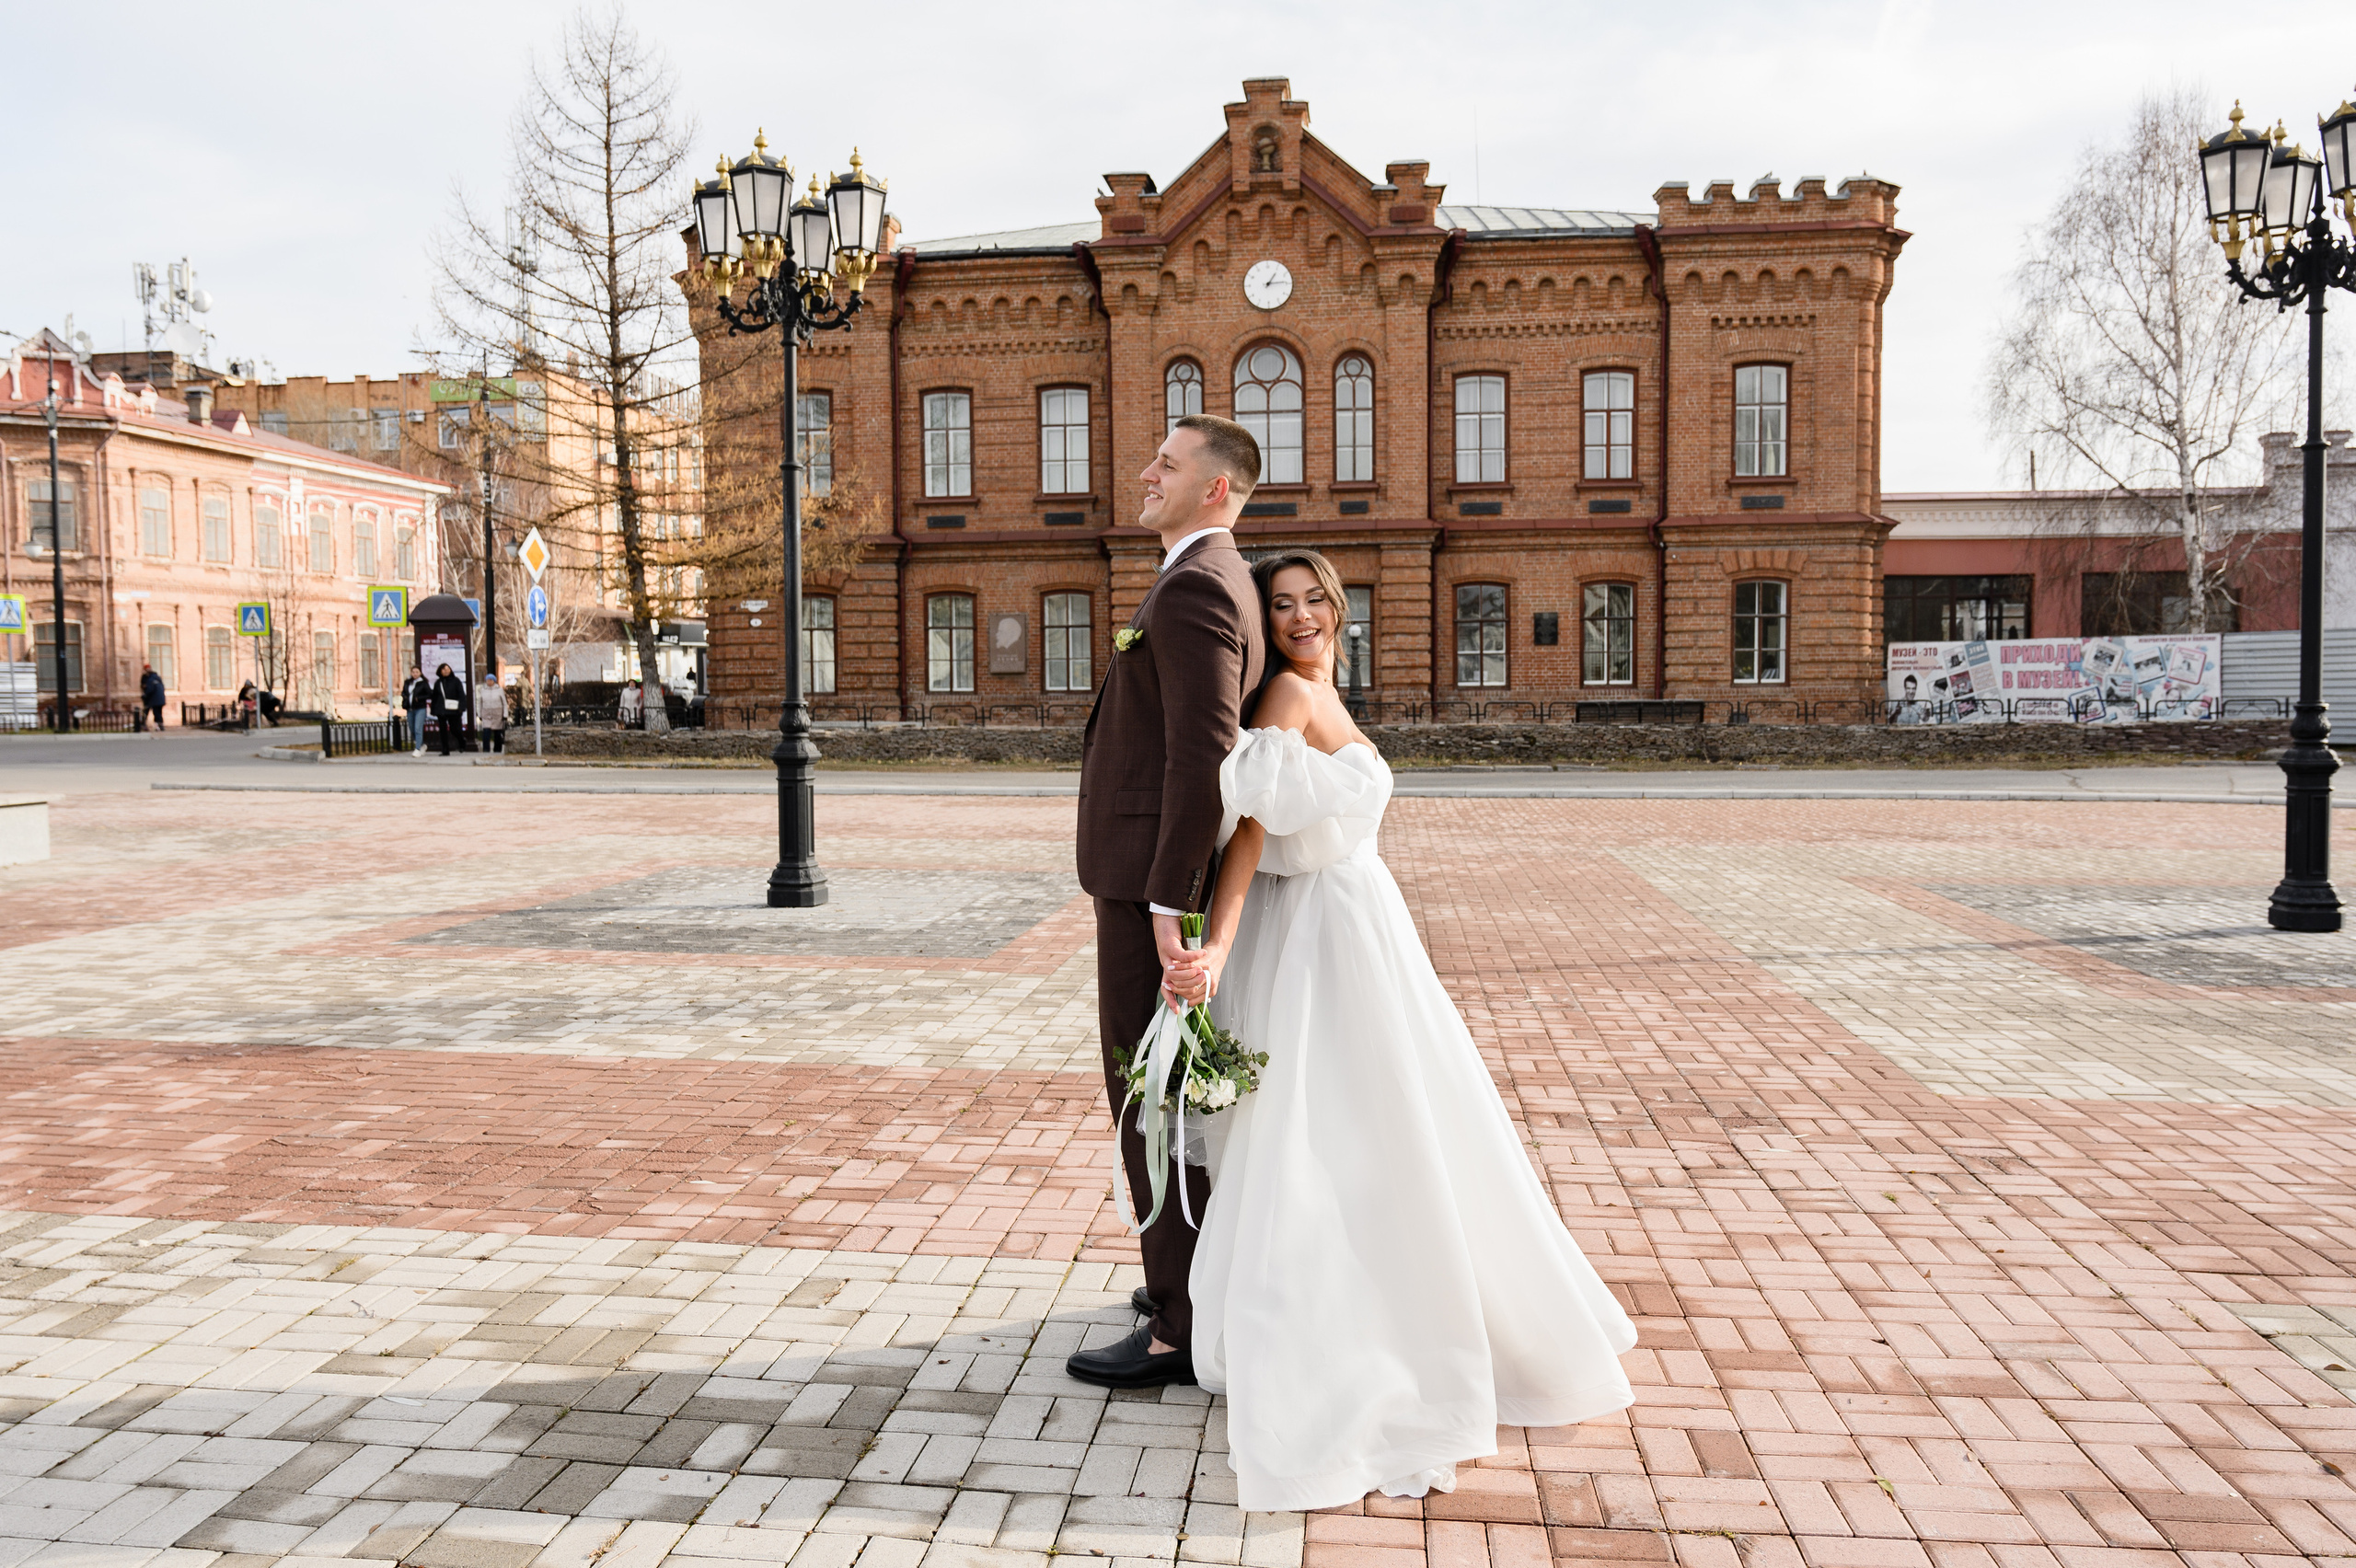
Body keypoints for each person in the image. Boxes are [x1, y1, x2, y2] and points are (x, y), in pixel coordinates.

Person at [1164, 548, 1636, 1514]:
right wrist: (1215, 948)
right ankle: (1338, 1339)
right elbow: (1247, 836)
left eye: (1311, 600)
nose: (1299, 617)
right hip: (1318, 944)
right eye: (1281, 605)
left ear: (1336, 606)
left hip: (1366, 929)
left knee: (1404, 1130)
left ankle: (1419, 1307)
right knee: (1327, 1138)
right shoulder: (1287, 701)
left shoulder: (1321, 690)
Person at [1067, 412, 1266, 1392]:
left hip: (1148, 884)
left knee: (1153, 1100)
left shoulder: (1194, 585)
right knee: (1164, 1096)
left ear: (1216, 488)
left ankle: (1175, 1327)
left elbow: (1204, 755)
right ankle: (1179, 1288)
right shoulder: (1207, 576)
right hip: (1145, 876)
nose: (1146, 471)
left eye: (1169, 462)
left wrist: (1165, 902)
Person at [431, 662, 468, 755]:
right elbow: (435, 697)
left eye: (448, 669)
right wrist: (433, 710)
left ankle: (462, 741)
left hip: (453, 709)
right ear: (440, 671)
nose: (446, 671)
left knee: (454, 729)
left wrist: (461, 707)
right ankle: (445, 750)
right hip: (441, 709)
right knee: (443, 731)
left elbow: (461, 694)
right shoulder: (438, 683)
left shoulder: (456, 681)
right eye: (444, 669)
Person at [401, 665, 433, 755]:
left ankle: (417, 749)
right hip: (410, 708)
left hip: (420, 708)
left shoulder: (423, 683)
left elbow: (430, 694)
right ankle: (422, 744)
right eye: (413, 672)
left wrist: (419, 698)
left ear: (420, 673)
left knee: (418, 728)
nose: (415, 674)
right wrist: (405, 696)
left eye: (417, 672)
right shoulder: (408, 682)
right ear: (411, 673)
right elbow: (404, 692)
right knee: (412, 729)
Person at [475, 673, 507, 754]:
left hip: (497, 713)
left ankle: (497, 749)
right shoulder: (483, 690)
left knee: (497, 733)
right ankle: (486, 749)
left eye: (491, 680)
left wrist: (505, 714)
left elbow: (504, 703)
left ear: (494, 681)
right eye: (488, 680)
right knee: (486, 732)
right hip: (486, 713)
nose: (489, 682)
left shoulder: (499, 690)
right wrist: (479, 713)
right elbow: (479, 702)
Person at [138, 663, 166, 732]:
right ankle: (160, 725)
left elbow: (149, 689)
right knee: (158, 712)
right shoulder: (157, 678)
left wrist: (145, 695)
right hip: (160, 698)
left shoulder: (150, 679)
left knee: (153, 712)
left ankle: (157, 726)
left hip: (152, 699)